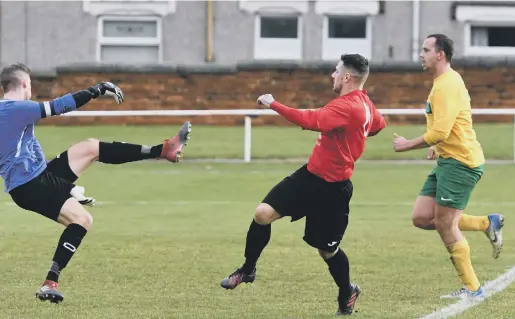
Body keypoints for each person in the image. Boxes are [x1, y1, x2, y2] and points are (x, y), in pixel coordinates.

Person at [0, 63, 191, 303]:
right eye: (31, 84)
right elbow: (60, 106)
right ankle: (50, 282)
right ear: (25, 83)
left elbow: (23, 151)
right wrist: (97, 89)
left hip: (36, 178)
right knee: (83, 219)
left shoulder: (8, 112)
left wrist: (66, 187)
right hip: (32, 184)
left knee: (91, 147)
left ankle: (163, 150)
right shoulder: (17, 109)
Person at [219, 53, 386, 316]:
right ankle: (248, 269)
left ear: (346, 77)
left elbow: (309, 120)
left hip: (334, 191)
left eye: (336, 71)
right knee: (262, 214)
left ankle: (347, 291)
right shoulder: (364, 104)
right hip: (308, 177)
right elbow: (378, 125)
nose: (332, 75)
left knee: (327, 252)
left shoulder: (348, 106)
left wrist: (273, 103)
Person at [392, 34, 504, 299]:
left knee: (444, 224)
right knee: (422, 217)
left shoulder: (446, 84)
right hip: (447, 159)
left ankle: (473, 288)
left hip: (461, 163)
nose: (421, 54)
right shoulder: (443, 82)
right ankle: (488, 223)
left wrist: (409, 144)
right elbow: (448, 123)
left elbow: (440, 130)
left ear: (439, 54)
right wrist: (436, 145)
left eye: (426, 49)